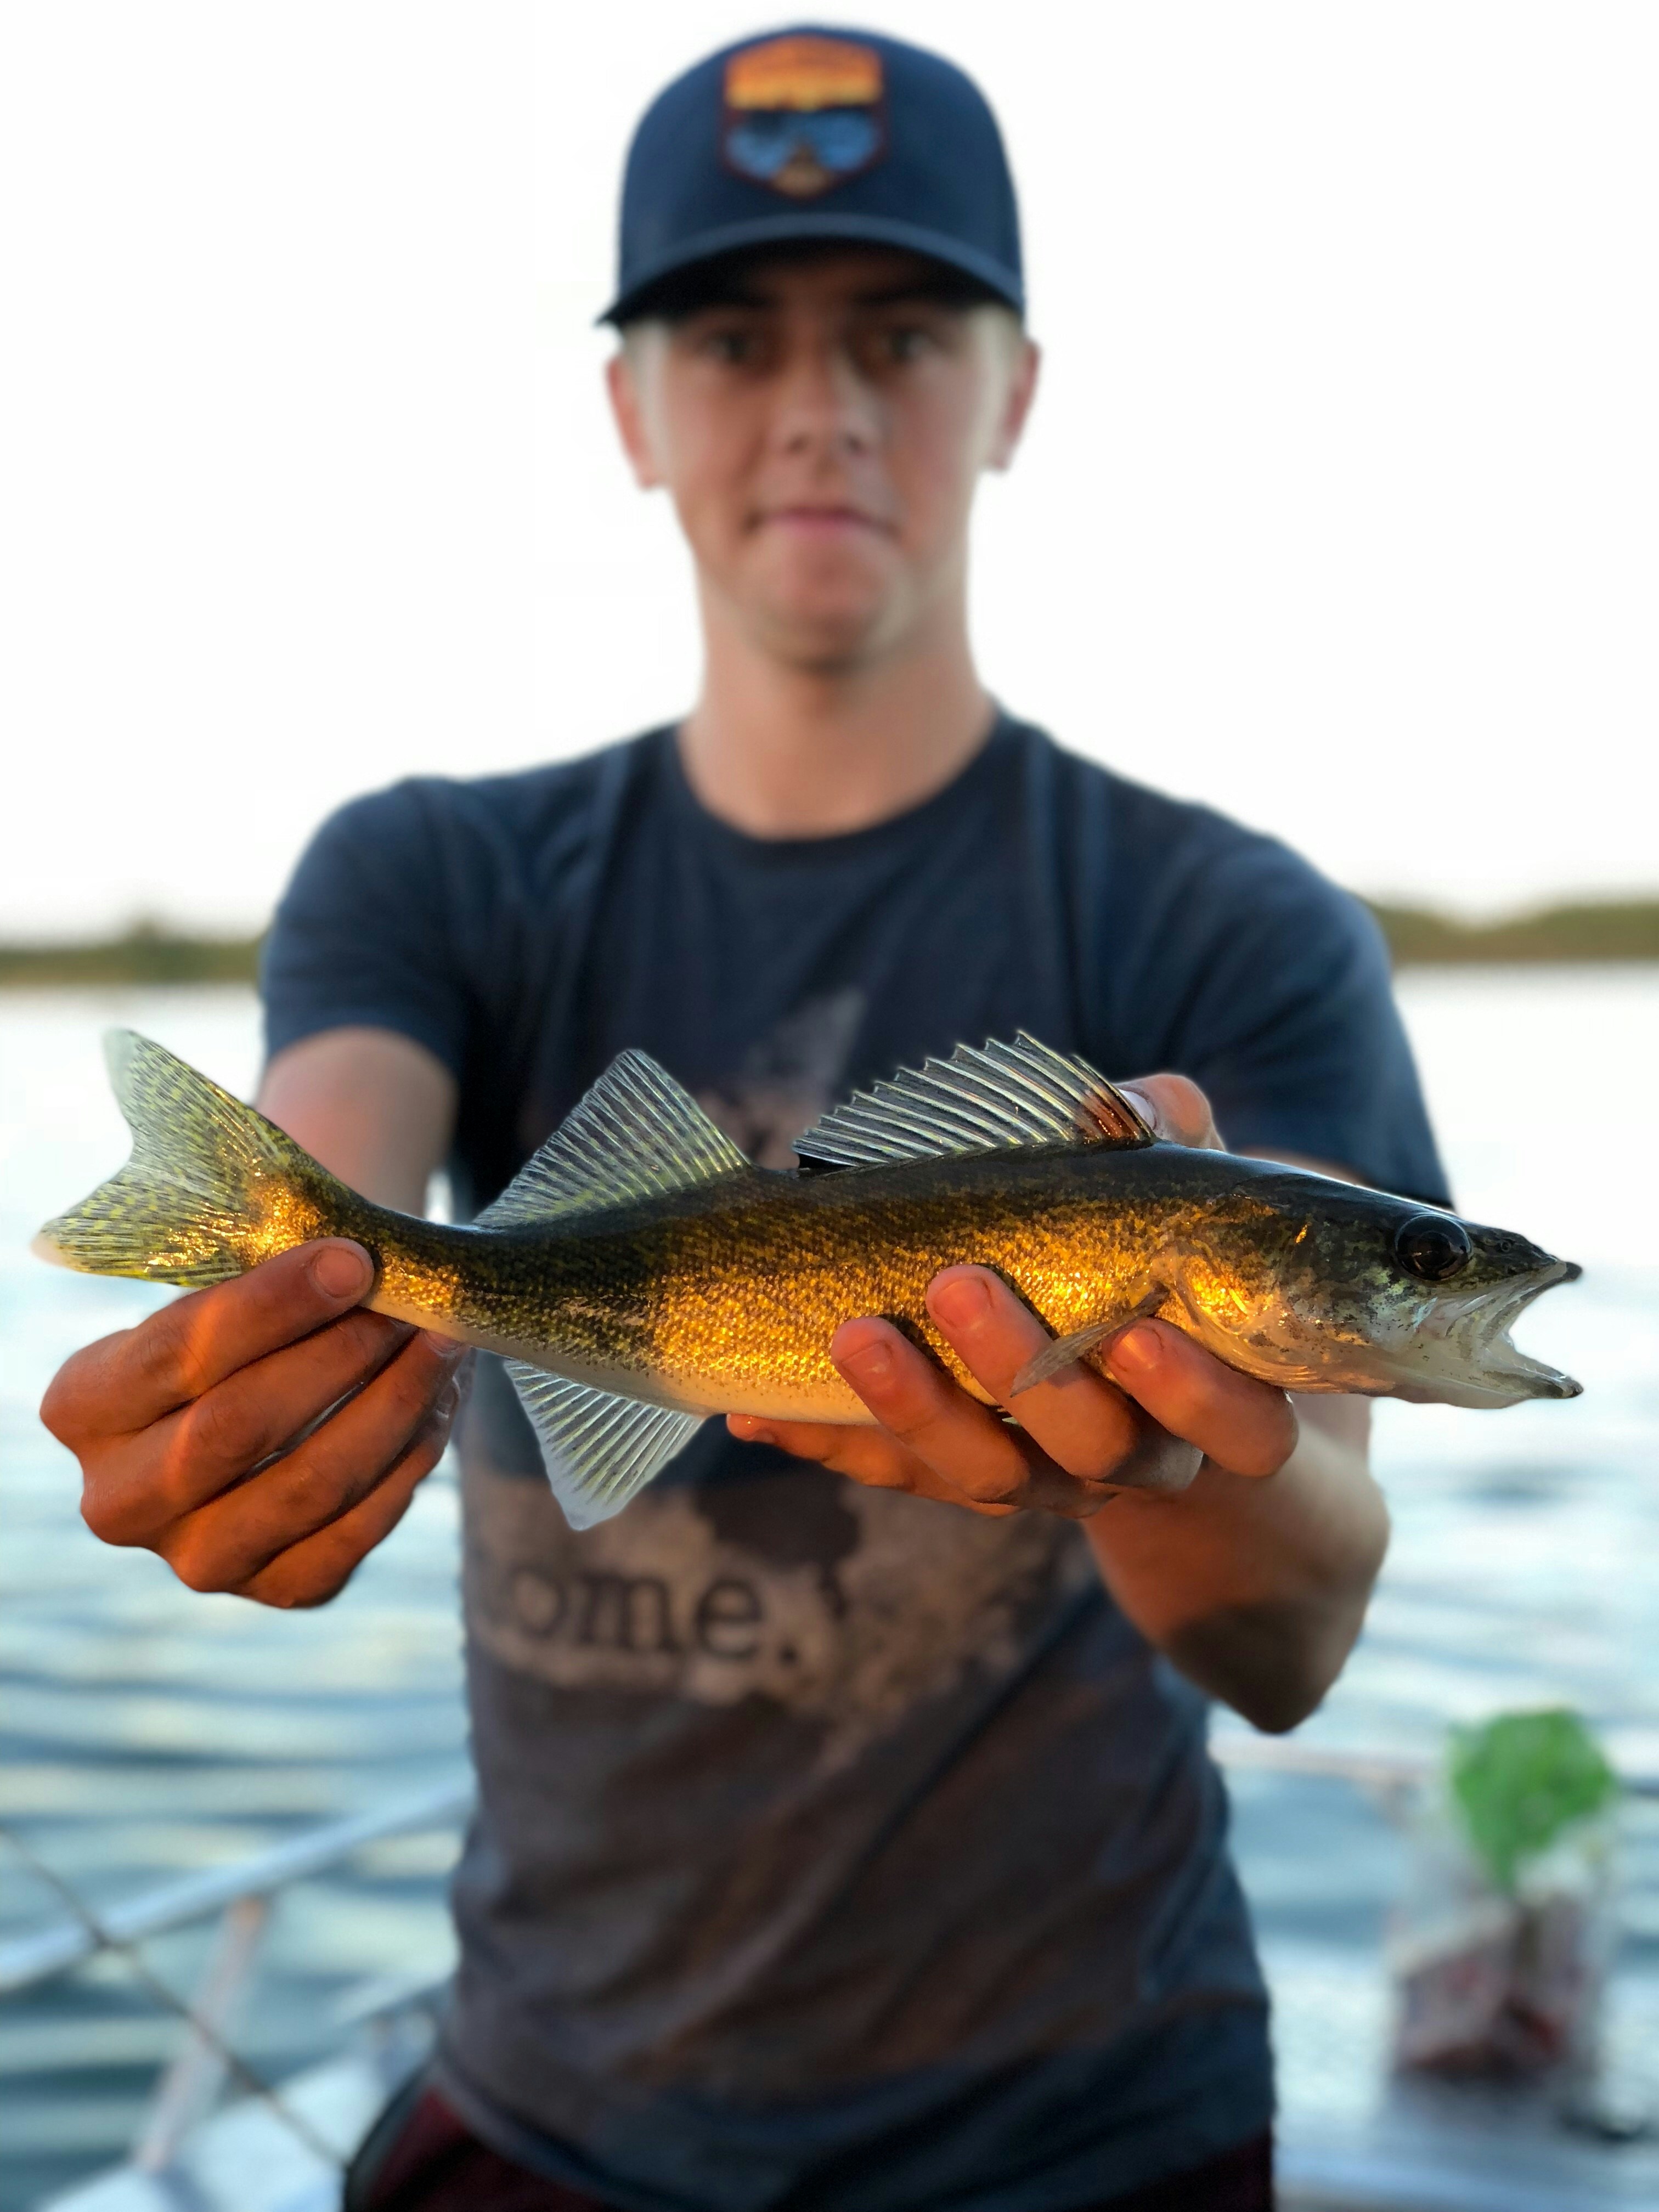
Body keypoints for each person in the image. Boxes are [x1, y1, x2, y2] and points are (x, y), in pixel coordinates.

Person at [43, 27, 1449, 2212]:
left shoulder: (1238, 925)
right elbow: (345, 1146)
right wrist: (281, 1329)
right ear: (631, 407)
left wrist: (1161, 1476)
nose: (821, 406)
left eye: (902, 330)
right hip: (543, 2114)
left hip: (1094, 2127)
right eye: (730, 335)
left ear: (1017, 387)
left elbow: (1298, 1632)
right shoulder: (433, 874)